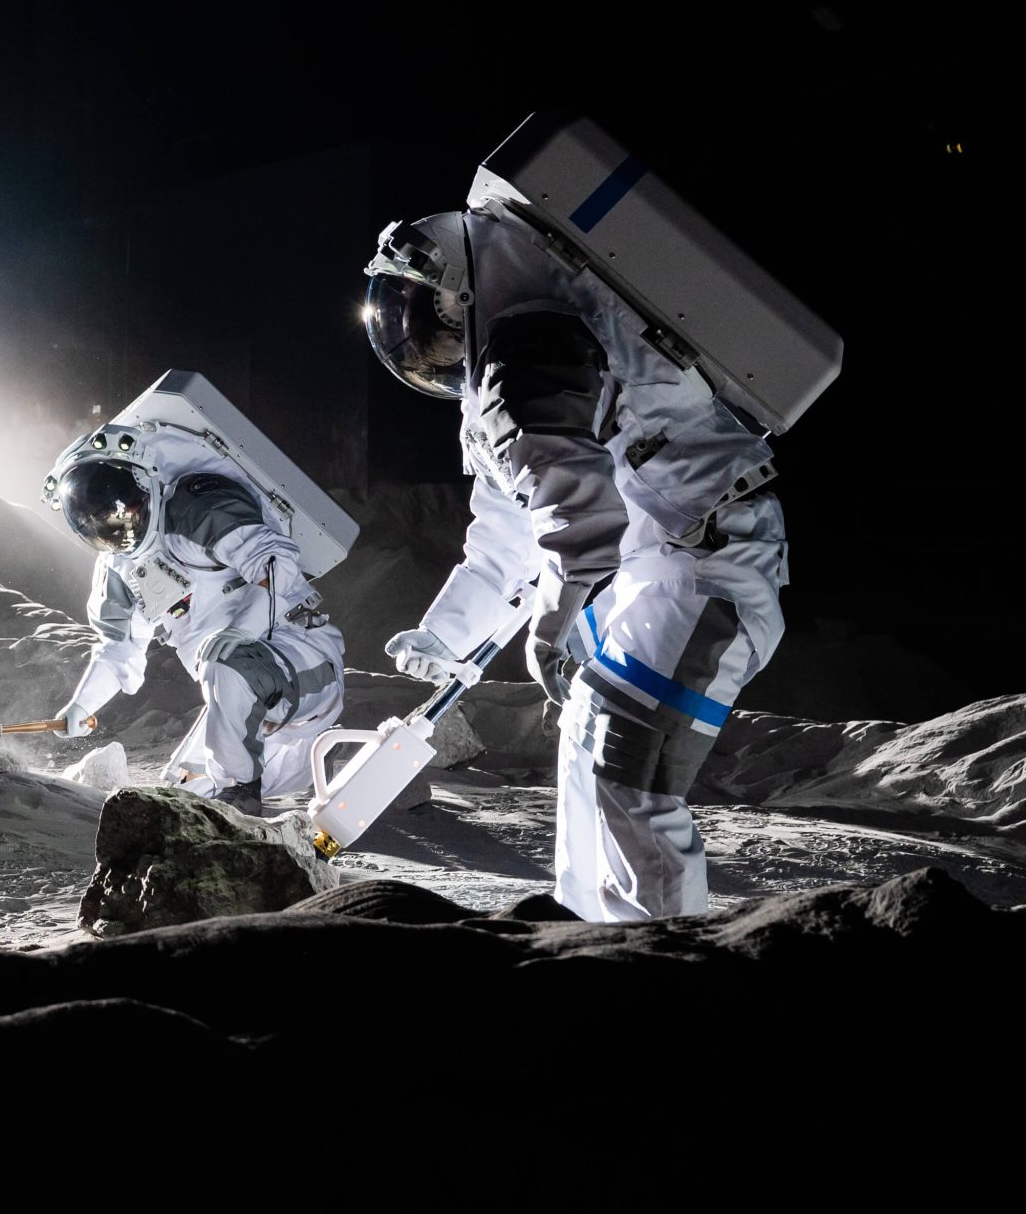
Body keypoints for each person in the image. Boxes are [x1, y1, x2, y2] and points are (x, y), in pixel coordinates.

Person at [364, 206, 787, 920]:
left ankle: (660, 955)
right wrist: (448, 633)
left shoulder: (529, 352)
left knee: (629, 768)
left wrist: (553, 625)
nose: (433, 352)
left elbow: (585, 526)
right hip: (668, 562)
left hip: (707, 565)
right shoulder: (524, 348)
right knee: (588, 738)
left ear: (459, 293)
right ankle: (588, 937)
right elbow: (510, 529)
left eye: (431, 330)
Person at [44, 428, 348, 814]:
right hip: (238, 699)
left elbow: (275, 561)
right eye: (100, 521)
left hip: (301, 666)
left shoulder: (198, 507)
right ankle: (304, 764)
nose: (116, 524)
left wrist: (242, 629)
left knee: (224, 668)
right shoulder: (119, 570)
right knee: (185, 799)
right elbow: (118, 650)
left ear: (144, 482)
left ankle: (241, 788)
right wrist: (81, 705)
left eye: (121, 508)